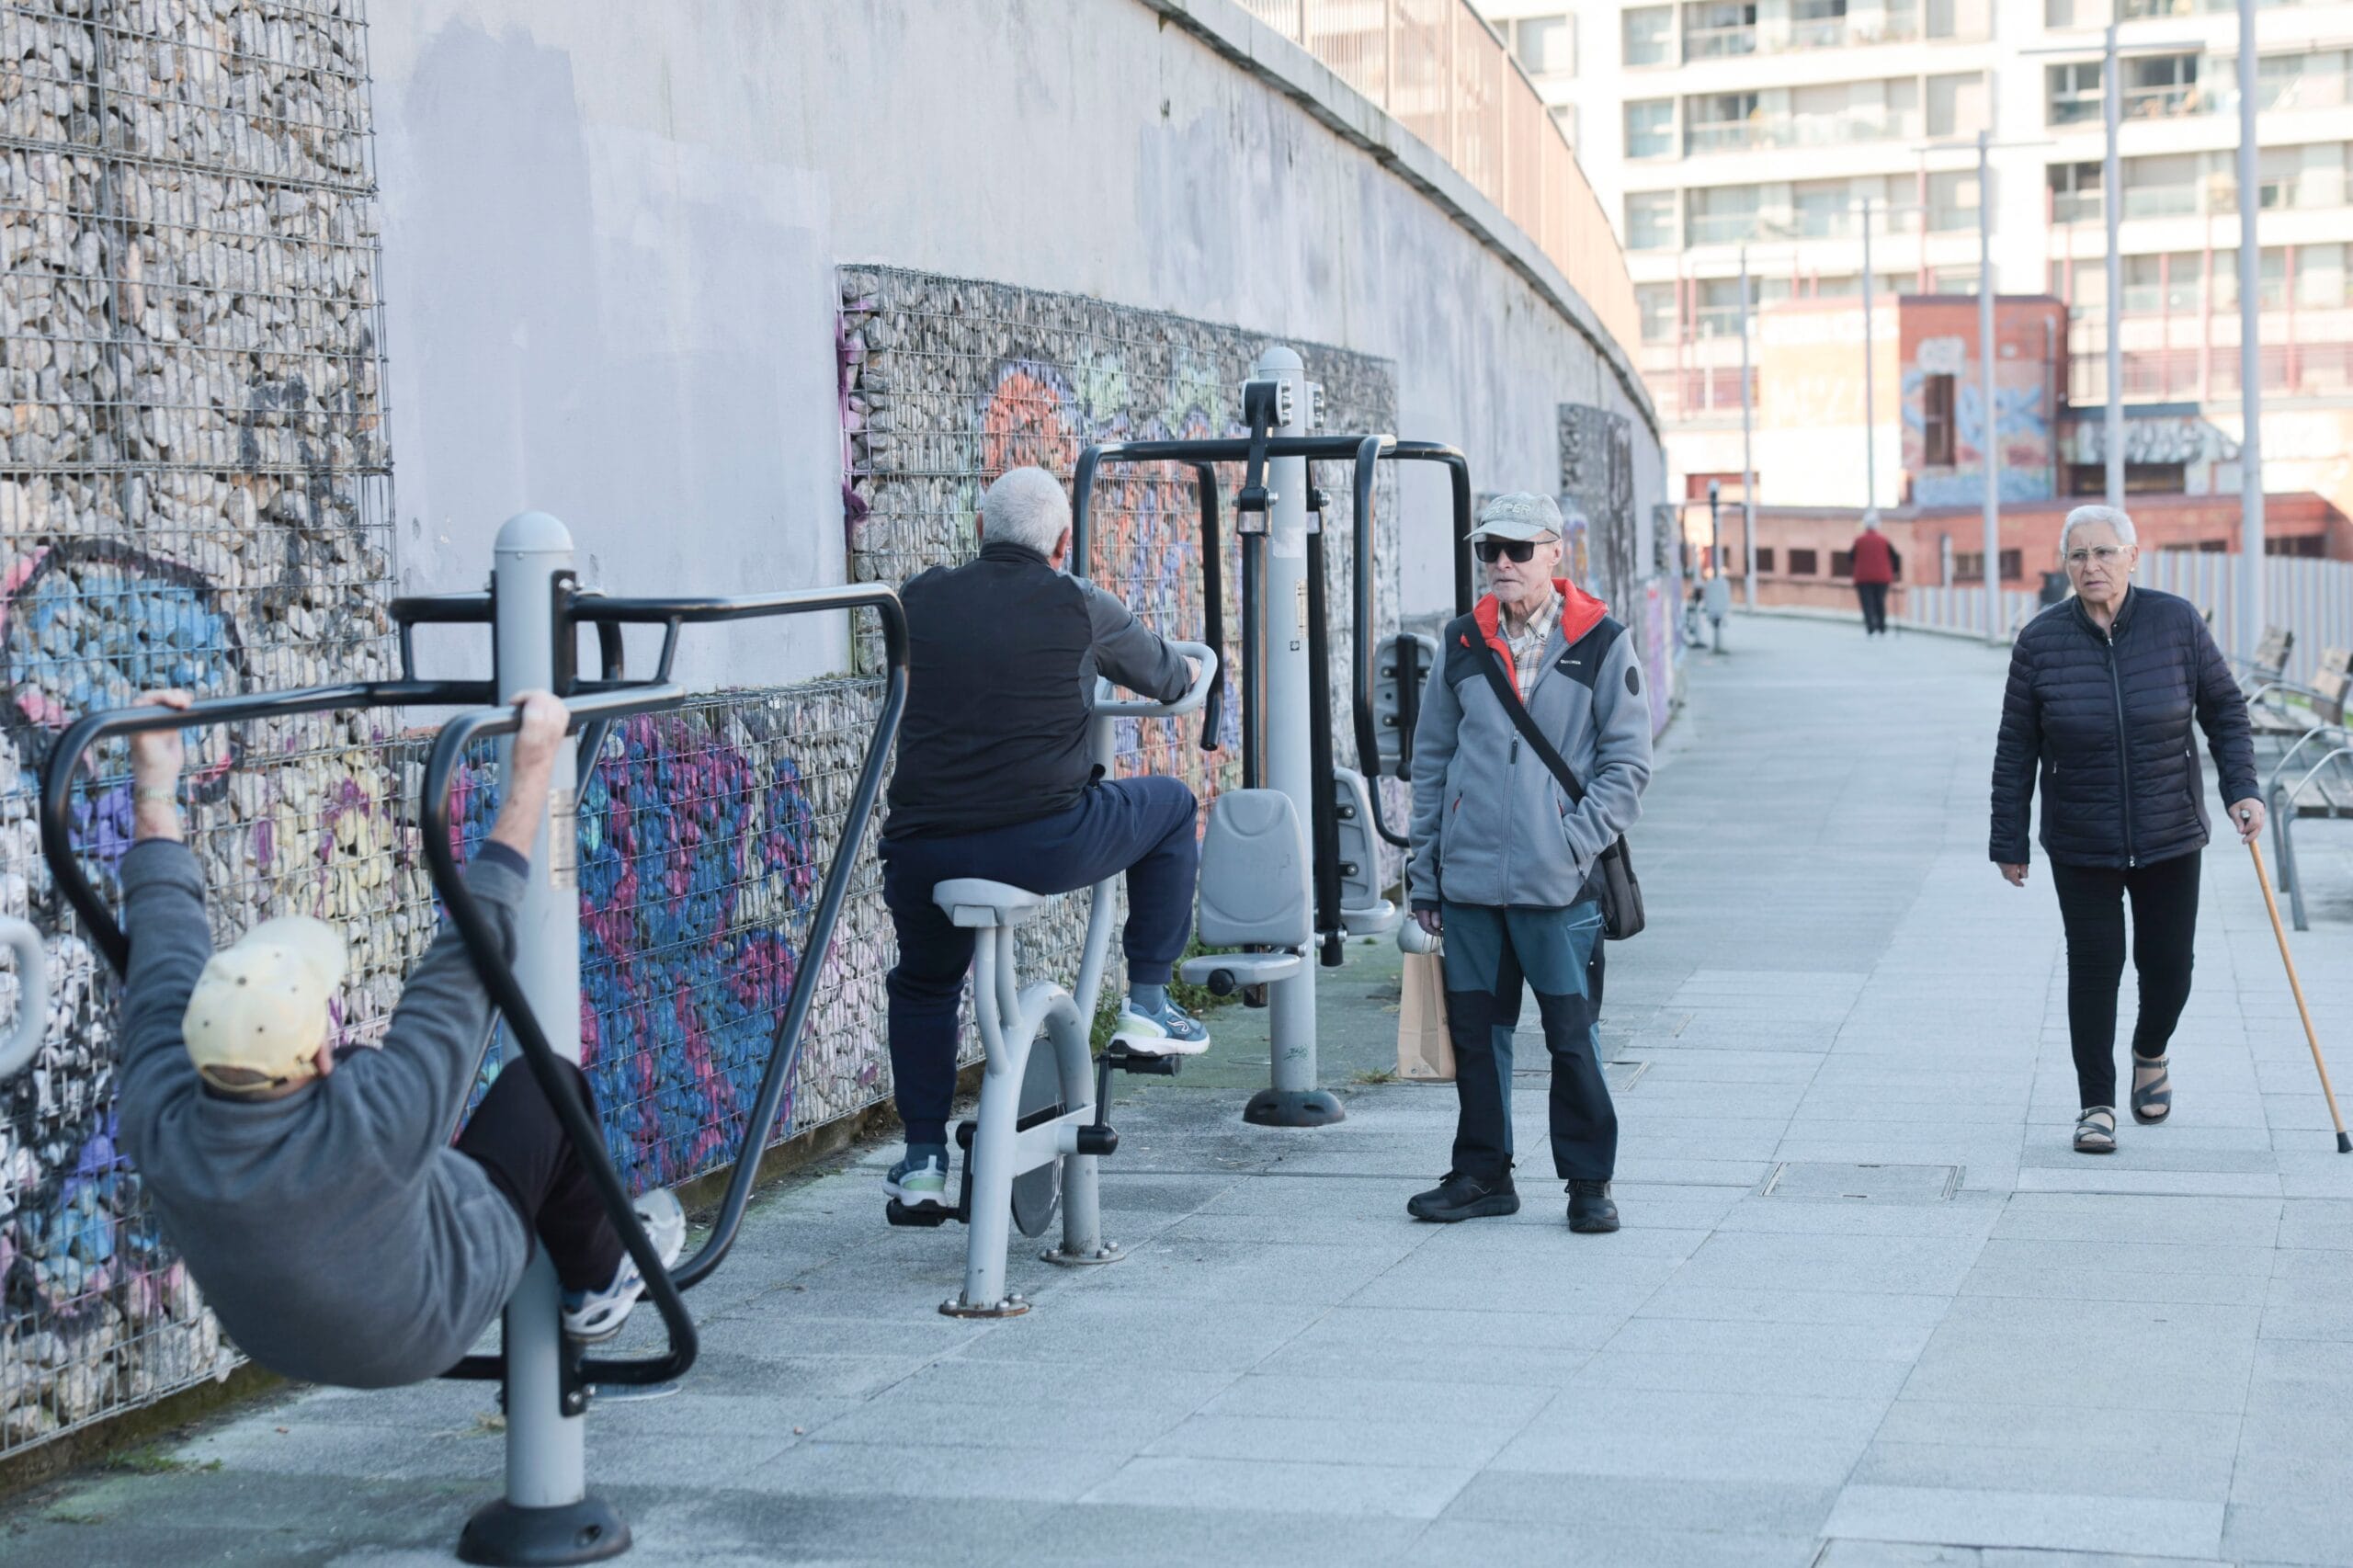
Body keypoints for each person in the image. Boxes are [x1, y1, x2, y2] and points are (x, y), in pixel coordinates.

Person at [114, 689, 685, 1390]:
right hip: (428, 1322)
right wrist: (533, 773)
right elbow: (466, 962)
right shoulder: (373, 1117)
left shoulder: (157, 1108)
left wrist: (154, 783)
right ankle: (598, 1284)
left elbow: (164, 942)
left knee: (410, 1120)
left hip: (276, 1341)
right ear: (317, 1053)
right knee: (548, 1085)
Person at [878, 465, 1207, 1212]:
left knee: (926, 984)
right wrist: (1187, 668)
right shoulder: (1079, 603)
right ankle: (1149, 1001)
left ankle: (924, 1158)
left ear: (980, 531)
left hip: (924, 851)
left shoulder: (917, 598)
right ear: (1064, 542)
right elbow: (1167, 678)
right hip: (1041, 842)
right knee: (1172, 806)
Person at [1404, 494, 1653, 1233]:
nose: (1502, 563)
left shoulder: (1602, 643)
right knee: (1478, 1035)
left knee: (1572, 1037)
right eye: (1490, 550)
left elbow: (1627, 765)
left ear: (1554, 552)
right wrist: (1427, 873)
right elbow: (1432, 763)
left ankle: (1588, 1182)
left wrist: (1571, 842)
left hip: (1559, 886)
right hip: (1471, 880)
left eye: (1518, 548)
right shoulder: (1461, 643)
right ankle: (1483, 1174)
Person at [1990, 504, 2264, 1155]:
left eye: (2105, 552)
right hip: (2081, 838)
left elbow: (2224, 710)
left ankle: (2151, 1051)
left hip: (2169, 830)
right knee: (2095, 967)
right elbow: (2015, 747)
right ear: (2064, 565)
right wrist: (2009, 839)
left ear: (2133, 557)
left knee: (2169, 968)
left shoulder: (2176, 623)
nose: (2093, 566)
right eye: (2079, 555)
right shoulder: (2040, 641)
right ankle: (2097, 1104)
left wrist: (2241, 789)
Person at [1849, 513, 1894, 635]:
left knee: (1867, 602)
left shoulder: (1859, 541)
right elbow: (1894, 557)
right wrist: (1894, 572)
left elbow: (1851, 557)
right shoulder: (1884, 540)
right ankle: (1882, 626)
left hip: (1863, 578)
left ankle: (1870, 626)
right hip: (1882, 578)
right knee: (1880, 601)